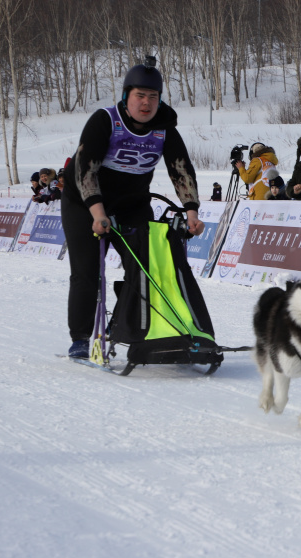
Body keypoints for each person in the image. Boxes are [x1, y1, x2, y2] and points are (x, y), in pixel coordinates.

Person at [60, 57, 204, 359]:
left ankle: (126, 325)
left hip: (132, 204)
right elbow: (86, 170)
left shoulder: (164, 128)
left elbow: (181, 169)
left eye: (153, 96)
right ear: (127, 96)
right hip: (84, 202)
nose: (146, 103)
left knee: (147, 266)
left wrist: (191, 211)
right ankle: (81, 337)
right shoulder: (105, 120)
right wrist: (98, 213)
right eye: (140, 95)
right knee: (87, 271)